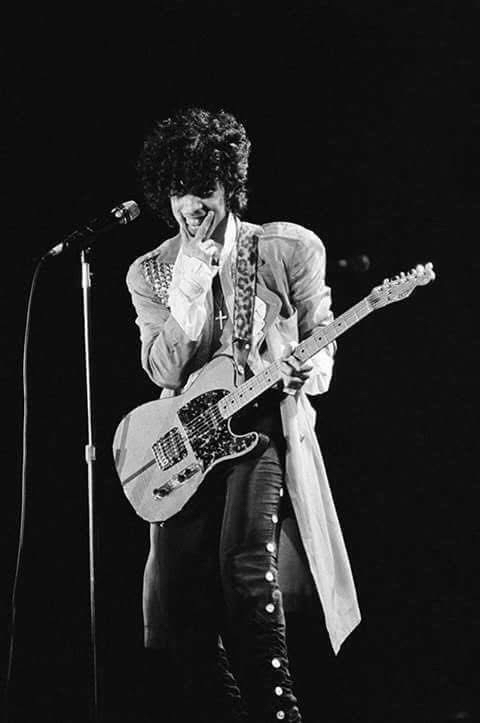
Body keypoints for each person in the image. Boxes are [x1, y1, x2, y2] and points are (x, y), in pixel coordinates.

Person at [126, 107, 361, 723]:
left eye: (204, 189)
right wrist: (189, 283)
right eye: (179, 191)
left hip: (259, 430)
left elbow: (321, 338)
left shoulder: (286, 248)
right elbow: (163, 371)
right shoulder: (150, 273)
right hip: (187, 440)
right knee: (180, 604)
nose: (192, 206)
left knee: (247, 573)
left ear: (229, 187)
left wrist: (308, 369)